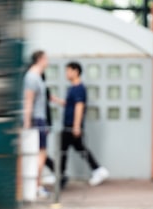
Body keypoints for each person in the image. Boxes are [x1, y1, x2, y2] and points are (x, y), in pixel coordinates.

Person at [56, 61, 108, 189]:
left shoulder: (79, 88)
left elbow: (79, 107)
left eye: (68, 70)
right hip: (69, 126)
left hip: (71, 127)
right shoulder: (73, 88)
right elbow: (68, 104)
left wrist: (76, 126)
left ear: (75, 71)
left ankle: (61, 175)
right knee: (77, 149)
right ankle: (98, 170)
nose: (66, 73)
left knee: (65, 150)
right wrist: (54, 99)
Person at [22, 50, 52, 197]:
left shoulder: (37, 77)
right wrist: (27, 123)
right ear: (40, 59)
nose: (48, 61)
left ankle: (37, 185)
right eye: (46, 58)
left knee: (41, 154)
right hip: (37, 119)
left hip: (40, 119)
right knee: (40, 155)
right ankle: (35, 186)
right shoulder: (32, 77)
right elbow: (28, 101)